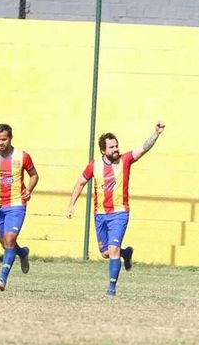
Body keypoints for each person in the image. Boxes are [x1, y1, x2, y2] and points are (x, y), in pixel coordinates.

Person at [66, 121, 166, 296]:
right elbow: (80, 183)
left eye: (116, 146)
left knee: (112, 251)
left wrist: (156, 134)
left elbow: (143, 148)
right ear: (103, 150)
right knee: (106, 253)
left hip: (120, 212)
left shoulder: (125, 160)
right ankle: (126, 253)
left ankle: (111, 289)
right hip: (100, 215)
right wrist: (71, 205)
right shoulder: (94, 166)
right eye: (111, 147)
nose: (116, 149)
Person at [0, 124, 39, 291]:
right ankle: (23, 253)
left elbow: (34, 175)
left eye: (4, 139)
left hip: (17, 204)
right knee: (6, 243)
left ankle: (2, 279)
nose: (1, 143)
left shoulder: (22, 156)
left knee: (10, 239)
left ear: (11, 138)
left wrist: (29, 189)